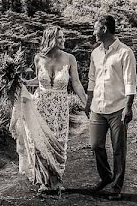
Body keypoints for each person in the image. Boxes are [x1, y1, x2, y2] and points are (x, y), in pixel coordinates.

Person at [9, 25, 87, 196]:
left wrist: (87, 104)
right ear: (51, 39)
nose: (63, 40)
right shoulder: (38, 58)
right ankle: (43, 181)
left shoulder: (70, 58)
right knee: (39, 142)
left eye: (63, 37)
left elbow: (76, 83)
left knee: (59, 143)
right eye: (59, 37)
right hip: (40, 105)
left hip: (59, 107)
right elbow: (39, 80)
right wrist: (23, 82)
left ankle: (57, 180)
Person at [84, 15, 137, 201]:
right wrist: (88, 101)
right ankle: (106, 176)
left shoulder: (125, 52)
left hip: (118, 107)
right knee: (96, 145)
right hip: (98, 107)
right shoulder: (95, 53)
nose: (93, 32)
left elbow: (130, 81)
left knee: (118, 149)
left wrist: (128, 107)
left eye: (95, 29)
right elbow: (92, 78)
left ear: (104, 29)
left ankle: (116, 186)